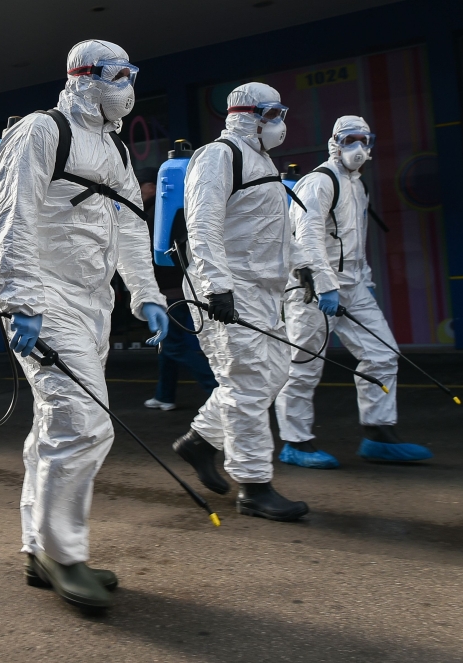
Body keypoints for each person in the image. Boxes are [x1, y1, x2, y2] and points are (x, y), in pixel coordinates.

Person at [0, 39, 168, 611]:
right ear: (85, 78)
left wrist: (146, 293)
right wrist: (22, 301)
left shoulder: (113, 147)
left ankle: (37, 547)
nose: (127, 86)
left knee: (56, 425)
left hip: (93, 304)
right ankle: (64, 556)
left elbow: (131, 225)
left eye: (131, 74)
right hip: (45, 300)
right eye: (118, 75)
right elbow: (12, 218)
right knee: (84, 423)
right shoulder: (42, 131)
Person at [172, 82, 314, 522]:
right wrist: (217, 287)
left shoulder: (262, 161)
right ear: (248, 116)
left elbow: (272, 228)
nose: (280, 123)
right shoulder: (219, 156)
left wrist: (302, 265)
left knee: (274, 373)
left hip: (264, 291)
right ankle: (254, 486)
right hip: (229, 288)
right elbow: (202, 225)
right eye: (272, 114)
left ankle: (199, 441)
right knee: (248, 384)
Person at [274, 116, 433, 468]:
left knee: (382, 354)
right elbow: (307, 239)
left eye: (364, 139)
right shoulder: (318, 182)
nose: (358, 148)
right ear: (334, 143)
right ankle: (296, 442)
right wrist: (325, 285)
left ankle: (379, 434)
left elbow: (356, 244)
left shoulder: (358, 186)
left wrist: (365, 284)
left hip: (354, 286)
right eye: (349, 140)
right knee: (303, 365)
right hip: (312, 290)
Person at [136, 166, 218, 411]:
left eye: (140, 187)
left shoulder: (155, 217)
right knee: (167, 345)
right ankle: (165, 395)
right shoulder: (170, 212)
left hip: (169, 293)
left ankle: (217, 390)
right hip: (176, 290)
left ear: (153, 187)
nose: (137, 192)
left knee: (174, 346)